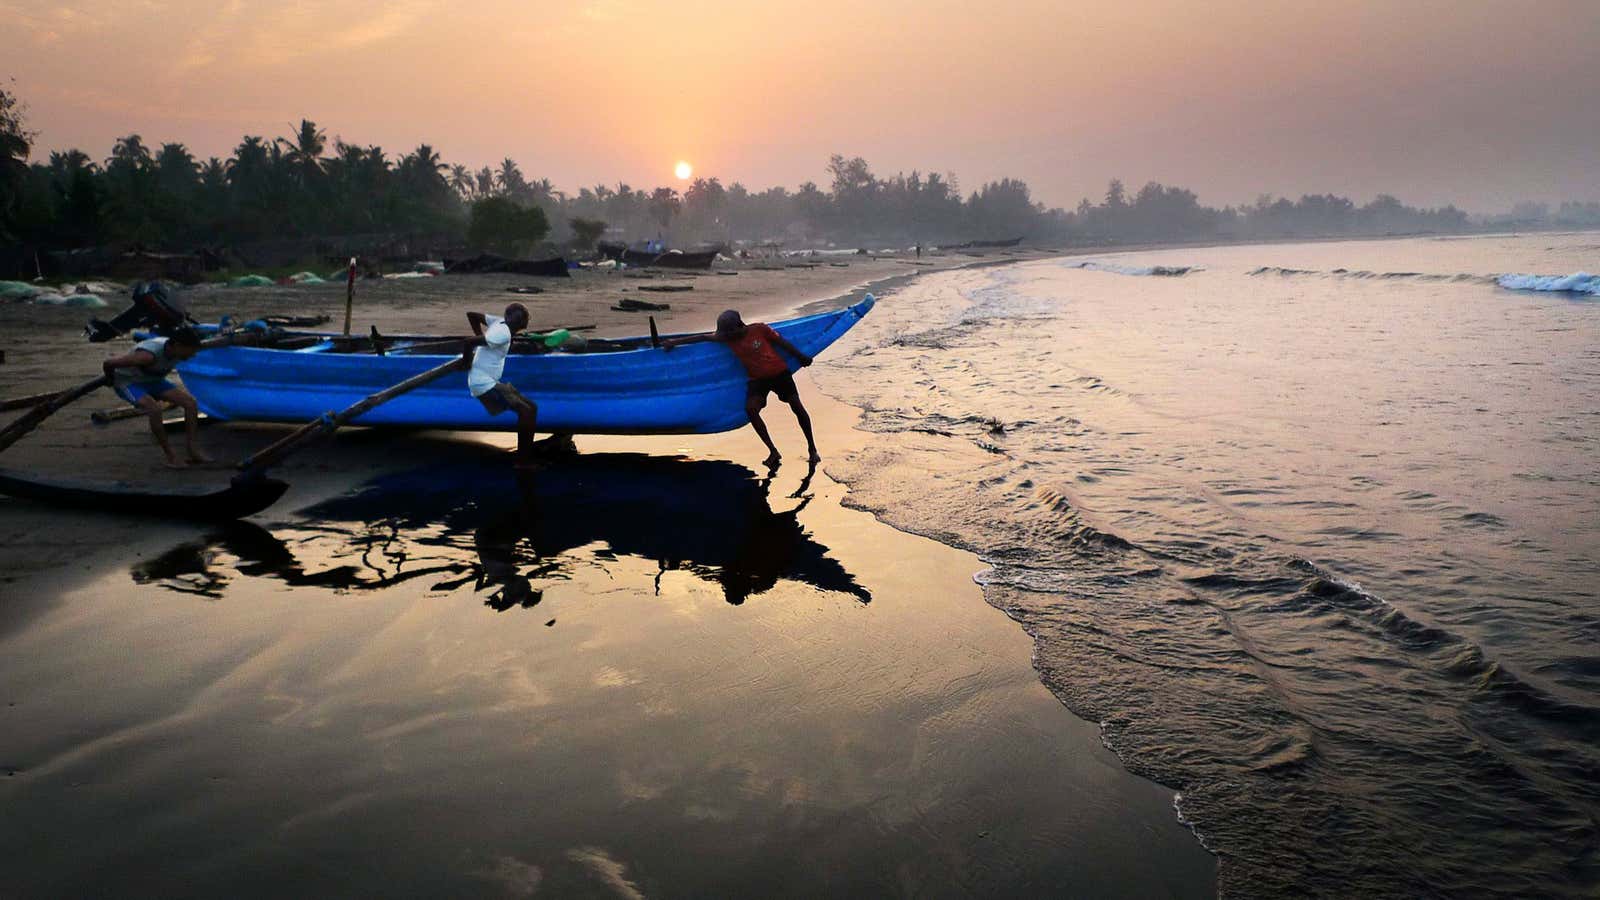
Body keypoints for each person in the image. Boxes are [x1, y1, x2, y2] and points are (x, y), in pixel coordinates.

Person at [662, 309, 820, 466]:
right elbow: (702, 337)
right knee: (751, 409)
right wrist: (673, 343)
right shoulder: (726, 337)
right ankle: (773, 451)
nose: (728, 336)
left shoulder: (759, 329)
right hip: (758, 380)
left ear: (740, 325)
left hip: (779, 374)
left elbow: (782, 343)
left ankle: (812, 449)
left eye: (730, 332)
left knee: (797, 406)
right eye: (725, 333)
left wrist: (801, 357)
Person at [101, 325, 210, 468]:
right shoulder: (147, 356)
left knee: (190, 403)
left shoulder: (179, 350)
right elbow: (108, 363)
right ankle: (171, 456)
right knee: (154, 409)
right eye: (191, 351)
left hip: (153, 380)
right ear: (177, 345)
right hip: (129, 382)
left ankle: (192, 449)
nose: (192, 355)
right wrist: (110, 380)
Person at [464, 303, 540, 468]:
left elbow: (472, 314)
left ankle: (525, 454)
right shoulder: (503, 333)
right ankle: (523, 462)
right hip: (483, 384)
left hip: (490, 381)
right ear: (522, 323)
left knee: (532, 408)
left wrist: (482, 340)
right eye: (521, 318)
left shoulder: (498, 322)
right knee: (525, 411)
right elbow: (469, 342)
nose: (522, 320)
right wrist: (466, 362)